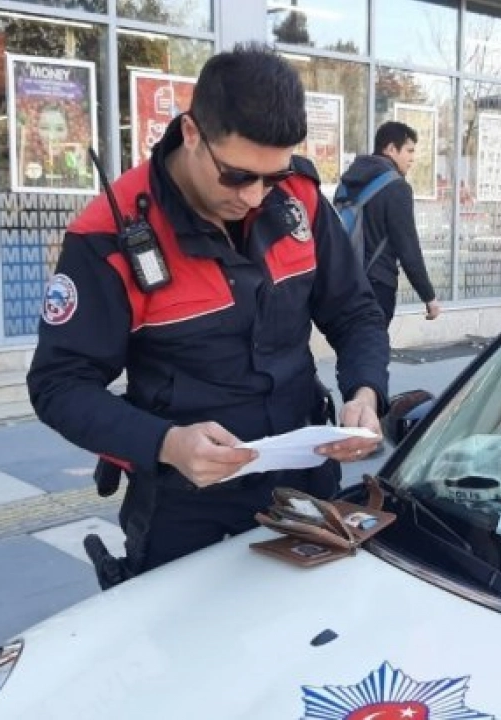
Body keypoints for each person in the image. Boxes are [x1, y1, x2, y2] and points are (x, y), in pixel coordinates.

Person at [27, 43, 389, 584]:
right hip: (184, 500)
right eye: (238, 176)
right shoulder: (108, 235)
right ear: (192, 132)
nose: (255, 197)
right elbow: (58, 385)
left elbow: (355, 311)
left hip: (304, 480)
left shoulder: (299, 199)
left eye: (272, 177)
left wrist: (365, 392)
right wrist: (165, 444)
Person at [336, 121, 440, 325]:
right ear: (391, 149)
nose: (412, 158)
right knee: (373, 342)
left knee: (349, 342)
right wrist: (429, 296)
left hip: (344, 281)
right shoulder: (396, 187)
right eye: (409, 151)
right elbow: (408, 247)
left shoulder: (348, 180)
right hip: (376, 285)